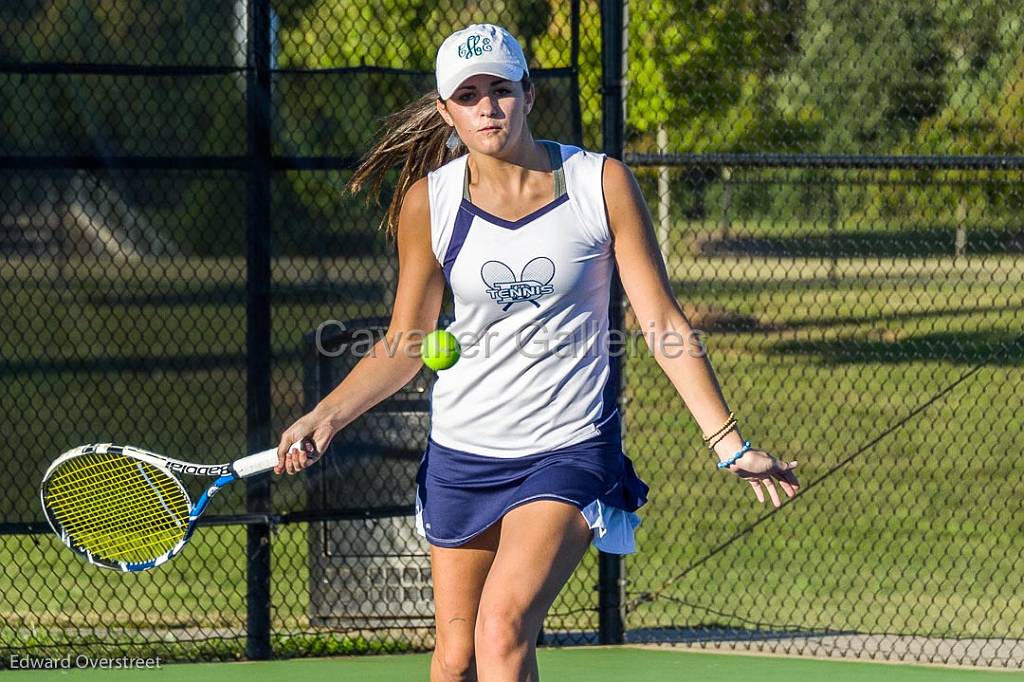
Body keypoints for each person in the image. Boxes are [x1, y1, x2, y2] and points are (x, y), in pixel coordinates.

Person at [274, 23, 800, 682]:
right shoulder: (428, 204)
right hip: (463, 455)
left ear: (529, 92)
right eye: (468, 96)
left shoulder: (599, 184)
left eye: (500, 89)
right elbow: (405, 343)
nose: (487, 107)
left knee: (501, 630)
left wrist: (728, 442)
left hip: (569, 447)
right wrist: (326, 415)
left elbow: (663, 321)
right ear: (445, 111)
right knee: (454, 661)